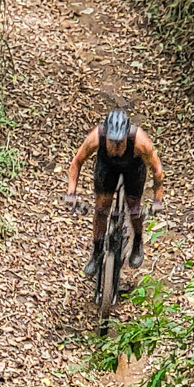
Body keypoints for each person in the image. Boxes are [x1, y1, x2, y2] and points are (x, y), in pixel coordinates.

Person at [65, 101, 166, 282]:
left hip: (133, 168)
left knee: (134, 208)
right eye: (112, 142)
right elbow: (76, 163)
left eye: (120, 142)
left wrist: (158, 200)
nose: (116, 147)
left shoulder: (140, 141)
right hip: (107, 167)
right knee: (101, 208)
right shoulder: (96, 137)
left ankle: (137, 241)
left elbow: (157, 171)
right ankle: (96, 252)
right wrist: (71, 193)